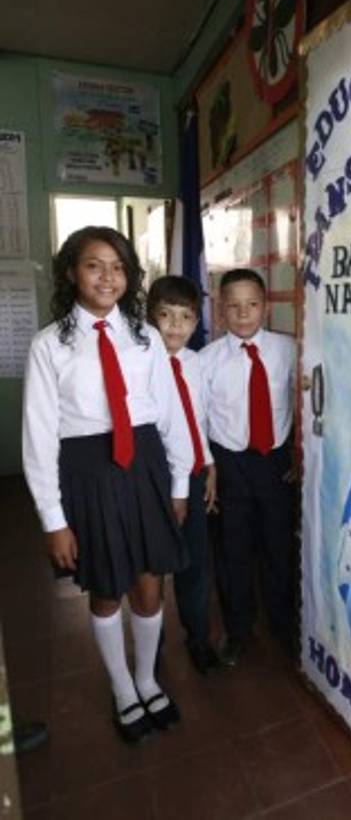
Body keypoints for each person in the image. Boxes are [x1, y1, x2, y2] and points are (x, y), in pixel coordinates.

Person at [22, 226, 192, 745]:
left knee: (148, 581)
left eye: (117, 266)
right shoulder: (50, 345)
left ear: (130, 277)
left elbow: (171, 416)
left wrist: (180, 481)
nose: (107, 277)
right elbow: (39, 435)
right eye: (94, 265)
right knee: (105, 586)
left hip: (143, 466)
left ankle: (146, 678)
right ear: (72, 272)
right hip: (87, 472)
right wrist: (54, 519)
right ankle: (121, 687)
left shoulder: (144, 338)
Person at [197, 268, 296, 666]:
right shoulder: (206, 361)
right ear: (220, 311)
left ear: (265, 306)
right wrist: (209, 467)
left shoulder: (289, 349)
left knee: (279, 547)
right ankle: (238, 629)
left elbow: (302, 404)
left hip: (275, 463)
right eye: (233, 306)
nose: (243, 314)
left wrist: (297, 455)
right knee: (232, 551)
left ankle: (283, 624)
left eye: (252, 304)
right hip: (229, 464)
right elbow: (200, 419)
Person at [147, 275, 220, 675]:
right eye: (166, 315)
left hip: (192, 477)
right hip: (154, 482)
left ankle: (198, 637)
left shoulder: (195, 363)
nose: (175, 326)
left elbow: (198, 419)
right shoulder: (139, 362)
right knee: (153, 568)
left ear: (196, 321)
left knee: (195, 562)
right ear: (150, 316)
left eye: (186, 317)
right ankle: (150, 647)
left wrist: (208, 464)